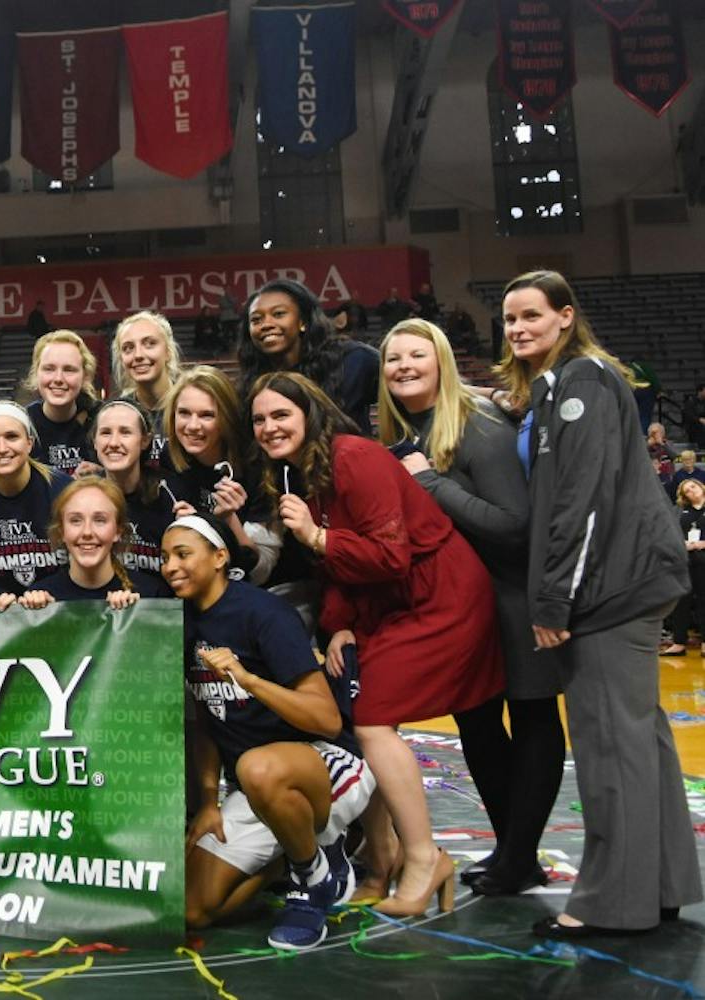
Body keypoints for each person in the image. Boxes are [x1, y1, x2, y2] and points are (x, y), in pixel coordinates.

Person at [247, 372, 505, 918]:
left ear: (309, 413)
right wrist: (340, 623)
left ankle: (423, 857)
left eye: (280, 415)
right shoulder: (299, 474)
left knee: (373, 718)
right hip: (386, 604)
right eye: (260, 420)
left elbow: (390, 555)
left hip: (441, 595)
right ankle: (390, 859)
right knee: (365, 715)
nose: (270, 427)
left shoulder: (353, 456)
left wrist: (315, 537)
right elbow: (342, 568)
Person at [495, 269, 701, 937]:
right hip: (631, 581)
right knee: (641, 740)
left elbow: (580, 505)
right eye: (508, 319)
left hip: (608, 590)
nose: (518, 327)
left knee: (611, 744)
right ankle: (662, 885)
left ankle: (612, 904)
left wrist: (553, 603)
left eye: (530, 315)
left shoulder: (581, 381)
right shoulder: (570, 383)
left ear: (564, 316)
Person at [378, 318, 563, 896]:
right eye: (393, 358)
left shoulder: (477, 424)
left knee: (531, 717)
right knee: (478, 724)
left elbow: (515, 526)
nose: (404, 366)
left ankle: (518, 856)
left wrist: (430, 482)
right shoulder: (405, 429)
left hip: (513, 594)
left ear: (442, 362)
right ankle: (513, 851)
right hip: (462, 605)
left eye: (417, 354)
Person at [168, 514, 372, 950]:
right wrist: (207, 802)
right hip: (256, 787)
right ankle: (296, 855)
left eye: (183, 554)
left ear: (220, 556)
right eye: (166, 558)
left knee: (258, 766)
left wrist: (250, 680)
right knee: (192, 910)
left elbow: (326, 719)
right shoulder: (184, 622)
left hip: (324, 764)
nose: (170, 566)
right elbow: (208, 719)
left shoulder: (264, 612)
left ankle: (312, 878)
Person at [160, 365, 279, 584]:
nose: (193, 426)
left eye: (207, 415)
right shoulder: (170, 457)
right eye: (184, 413)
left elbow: (261, 571)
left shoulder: (257, 467)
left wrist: (227, 519)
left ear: (225, 419)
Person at [238, 279, 380, 435]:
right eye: (256, 319)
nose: (266, 324)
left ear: (303, 321)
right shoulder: (251, 382)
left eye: (278, 314)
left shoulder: (353, 360)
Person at [0, 403, 70, 594]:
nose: (2, 448)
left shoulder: (63, 491)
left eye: (12, 437)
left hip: (59, 606)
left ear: (29, 443)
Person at [11, 477, 172, 608]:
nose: (87, 532)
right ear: (62, 531)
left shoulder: (151, 595)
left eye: (100, 520)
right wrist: (15, 616)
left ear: (118, 531)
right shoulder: (39, 598)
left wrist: (136, 617)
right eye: (75, 520)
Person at [93, 399, 188, 590]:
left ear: (145, 440)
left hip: (162, 608)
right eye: (105, 433)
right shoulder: (84, 497)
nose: (113, 443)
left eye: (125, 432)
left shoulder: (170, 493)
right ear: (94, 442)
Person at [24, 330, 102, 477]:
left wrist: (104, 474)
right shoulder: (22, 424)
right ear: (36, 373)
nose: (58, 378)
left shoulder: (103, 418)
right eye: (49, 369)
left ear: (85, 376)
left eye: (69, 370)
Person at [113, 310, 182, 467]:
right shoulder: (117, 413)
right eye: (128, 348)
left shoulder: (191, 404)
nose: (138, 355)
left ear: (168, 352)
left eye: (149, 344)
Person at [661, 478, 705, 657]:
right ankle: (679, 642)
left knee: (704, 601)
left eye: (693, 487)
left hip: (704, 559)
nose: (691, 491)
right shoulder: (679, 511)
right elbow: (670, 533)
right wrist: (683, 544)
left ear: (701, 487)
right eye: (687, 490)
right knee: (681, 601)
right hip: (684, 560)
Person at [682, 381, 705, 449]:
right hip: (694, 426)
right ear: (700, 391)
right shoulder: (691, 402)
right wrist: (699, 419)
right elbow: (689, 415)